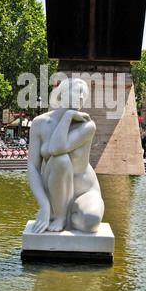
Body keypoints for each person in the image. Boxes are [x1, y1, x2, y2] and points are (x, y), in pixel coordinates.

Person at [27, 78, 105, 234]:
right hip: (54, 190)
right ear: (60, 95)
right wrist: (43, 205)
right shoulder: (39, 123)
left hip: (84, 190)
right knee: (61, 160)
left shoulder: (87, 125)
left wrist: (68, 115)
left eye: (84, 95)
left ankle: (69, 216)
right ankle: (60, 215)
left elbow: (56, 147)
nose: (81, 97)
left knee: (91, 222)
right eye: (77, 92)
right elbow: (32, 167)